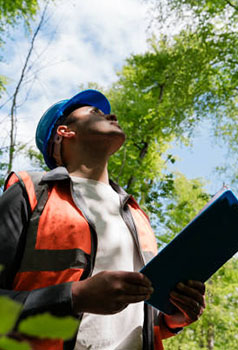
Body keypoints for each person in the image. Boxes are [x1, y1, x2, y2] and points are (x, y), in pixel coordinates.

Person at [0, 89, 206, 350]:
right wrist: (74, 297)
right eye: (96, 112)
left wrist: (172, 318)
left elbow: (140, 320)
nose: (113, 115)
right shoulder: (30, 192)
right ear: (65, 131)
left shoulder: (136, 215)